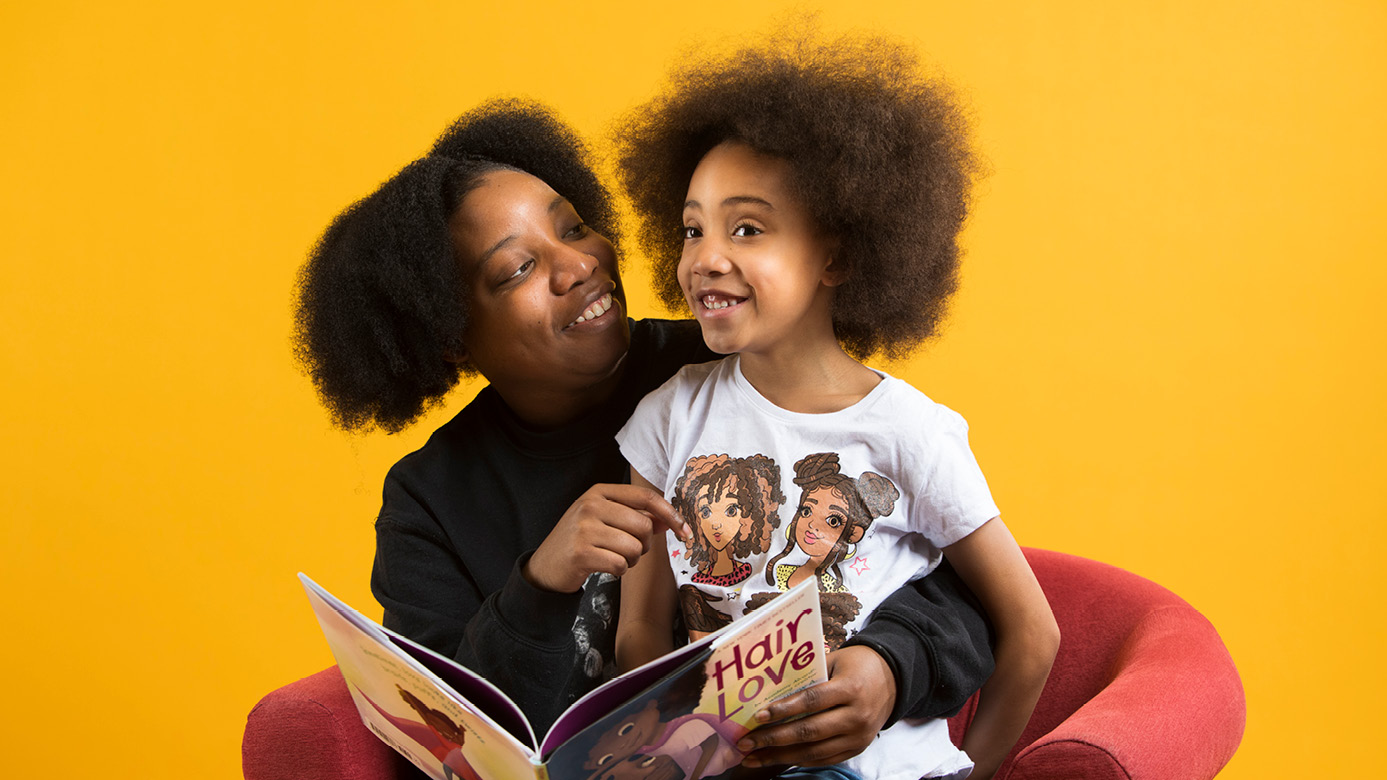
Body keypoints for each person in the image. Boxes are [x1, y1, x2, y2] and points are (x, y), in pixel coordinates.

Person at [292, 98, 995, 773]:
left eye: (571, 228)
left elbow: (947, 567)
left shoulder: (733, 365)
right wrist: (540, 583)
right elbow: (447, 736)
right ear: (450, 340)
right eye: (517, 269)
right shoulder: (430, 501)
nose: (577, 266)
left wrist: (888, 664)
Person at [611, 33, 1060, 780]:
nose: (704, 257)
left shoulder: (909, 432)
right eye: (692, 228)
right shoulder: (666, 417)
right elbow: (639, 637)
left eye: (746, 228)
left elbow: (1031, 633)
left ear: (838, 259)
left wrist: (974, 770)